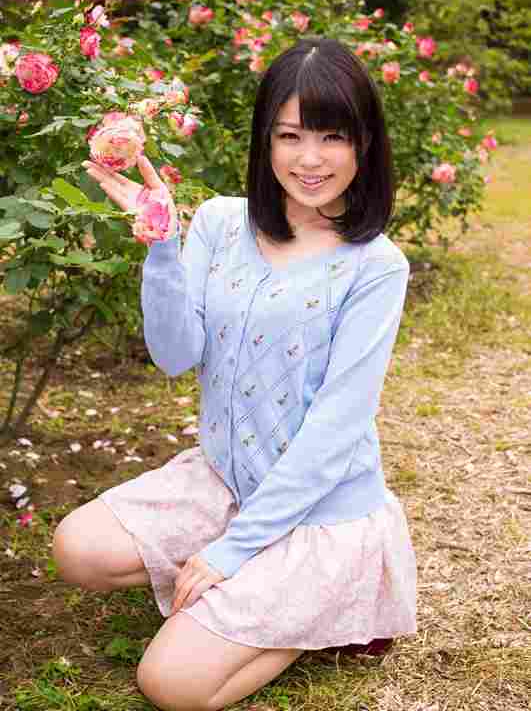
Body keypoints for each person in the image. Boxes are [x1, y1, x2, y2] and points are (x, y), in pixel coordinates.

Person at [53, 37, 417, 711]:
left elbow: (336, 429)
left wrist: (231, 552)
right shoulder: (222, 223)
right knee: (77, 549)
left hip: (318, 509)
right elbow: (175, 356)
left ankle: (332, 606)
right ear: (265, 140)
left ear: (363, 143)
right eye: (290, 136)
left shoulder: (375, 266)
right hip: (223, 480)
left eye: (332, 137)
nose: (310, 159)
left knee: (171, 684)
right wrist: (161, 245)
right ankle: (265, 593)